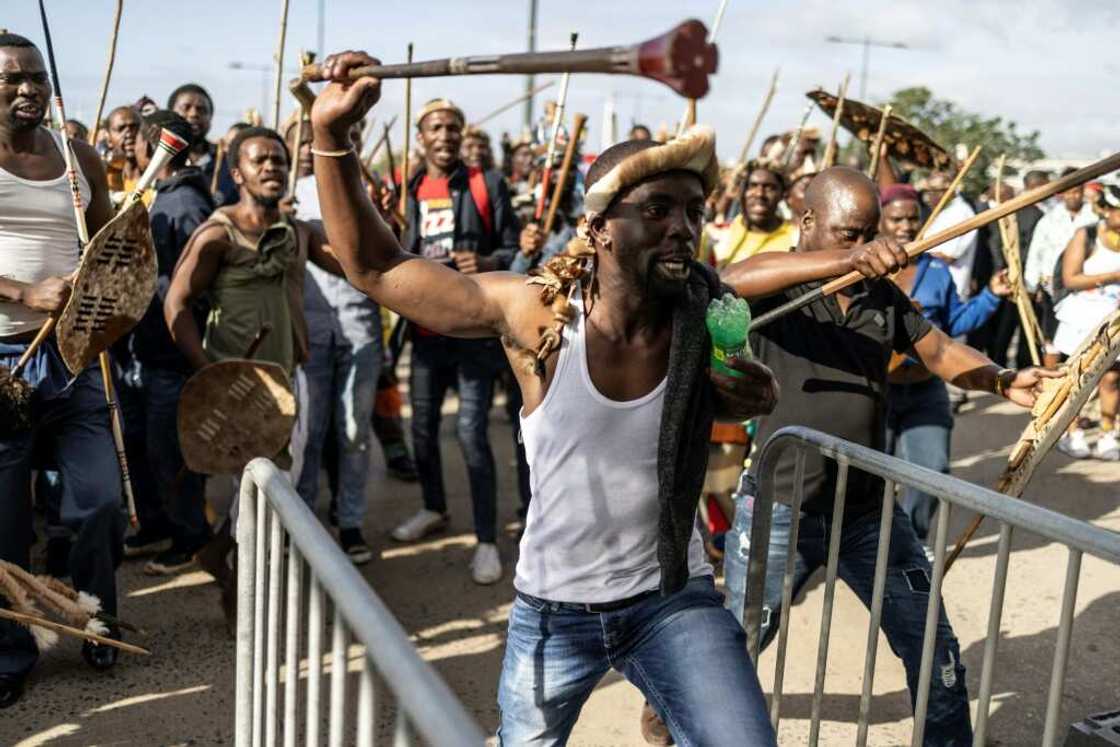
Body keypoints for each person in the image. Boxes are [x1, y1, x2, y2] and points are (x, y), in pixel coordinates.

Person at [306, 51, 780, 745]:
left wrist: (749, 393)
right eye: (657, 209)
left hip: (673, 599)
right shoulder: (539, 317)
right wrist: (331, 137)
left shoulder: (700, 314)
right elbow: (376, 266)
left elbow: (719, 393)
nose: (684, 226)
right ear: (597, 228)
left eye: (694, 210)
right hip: (556, 609)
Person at [720, 166, 1057, 745]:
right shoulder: (782, 286)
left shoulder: (881, 297)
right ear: (807, 223)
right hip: (780, 506)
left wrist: (1001, 380)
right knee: (737, 642)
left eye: (869, 233)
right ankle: (673, 713)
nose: (865, 245)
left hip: (867, 512)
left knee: (934, 651)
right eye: (848, 233)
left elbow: (942, 351)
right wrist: (846, 260)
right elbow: (734, 279)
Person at [164, 126, 343, 629]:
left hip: (291, 379)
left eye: (279, 160)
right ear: (237, 172)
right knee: (264, 492)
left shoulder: (298, 231)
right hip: (238, 388)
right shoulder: (217, 234)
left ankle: (219, 553)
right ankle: (244, 604)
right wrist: (209, 374)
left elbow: (359, 265)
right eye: (260, 160)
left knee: (275, 485)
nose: (271, 167)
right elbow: (175, 304)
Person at [0, 32, 123, 705]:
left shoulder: (79, 158)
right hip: (3, 363)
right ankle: (12, 648)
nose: (27, 89)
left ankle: (95, 614)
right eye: (11, 79)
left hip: (71, 356)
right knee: (5, 521)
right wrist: (23, 292)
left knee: (100, 499)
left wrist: (100, 278)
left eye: (36, 77)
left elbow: (108, 250)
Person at [389, 97, 520, 585]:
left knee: (470, 435)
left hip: (472, 335)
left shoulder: (487, 184)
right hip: (424, 335)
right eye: (434, 127)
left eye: (452, 127)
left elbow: (513, 248)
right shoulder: (407, 188)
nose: (443, 135)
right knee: (421, 430)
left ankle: (486, 540)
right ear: (420, 136)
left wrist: (484, 264)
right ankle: (433, 507)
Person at [879, 184, 1009, 547]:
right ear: (880, 221)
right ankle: (865, 547)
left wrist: (991, 296)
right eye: (896, 219)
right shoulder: (862, 271)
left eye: (912, 219)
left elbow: (956, 323)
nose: (905, 226)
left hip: (925, 390)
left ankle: (910, 544)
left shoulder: (936, 269)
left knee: (932, 472)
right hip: (877, 391)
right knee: (869, 479)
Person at [116, 110, 215, 574]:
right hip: (143, 347)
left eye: (138, 138)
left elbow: (190, 283)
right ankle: (155, 525)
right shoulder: (162, 197)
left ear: (155, 143)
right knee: (140, 443)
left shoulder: (186, 204)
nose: (132, 146)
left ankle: (189, 535)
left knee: (168, 448)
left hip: (169, 349)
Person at [286, 113, 381, 564]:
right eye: (301, 139)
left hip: (359, 322)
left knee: (354, 431)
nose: (309, 147)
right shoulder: (287, 193)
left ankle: (350, 522)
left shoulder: (369, 186)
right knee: (309, 429)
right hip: (308, 323)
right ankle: (304, 525)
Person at [1052, 185, 1120, 460]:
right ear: (1107, 208)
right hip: (1083, 319)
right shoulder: (1087, 234)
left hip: (1115, 321)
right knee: (1078, 379)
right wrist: (1113, 275)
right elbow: (1071, 278)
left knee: (1113, 378)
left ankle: (1107, 433)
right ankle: (1073, 432)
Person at [1024, 167, 1098, 367]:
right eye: (1069, 191)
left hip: (1086, 286)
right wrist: (1031, 285)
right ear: (1062, 192)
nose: (1073, 195)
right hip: (1053, 287)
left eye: (1077, 191)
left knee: (1088, 335)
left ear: (1083, 191)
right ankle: (1050, 380)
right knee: (1052, 336)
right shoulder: (1048, 220)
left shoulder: (1095, 217)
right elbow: (1035, 254)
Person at [699, 164, 795, 268]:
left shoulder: (796, 238)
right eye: (752, 186)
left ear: (782, 194)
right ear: (739, 192)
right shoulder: (714, 235)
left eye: (769, 187)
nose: (759, 194)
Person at [918, 171, 979, 299]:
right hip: (932, 286)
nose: (930, 196)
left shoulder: (961, 213)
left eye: (934, 191)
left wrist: (915, 254)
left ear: (949, 190)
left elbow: (948, 256)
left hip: (951, 290)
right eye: (928, 191)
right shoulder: (943, 211)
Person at [104, 105, 141, 198]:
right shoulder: (101, 179)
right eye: (121, 129)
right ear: (108, 139)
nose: (129, 133)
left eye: (134, 127)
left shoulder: (158, 175)